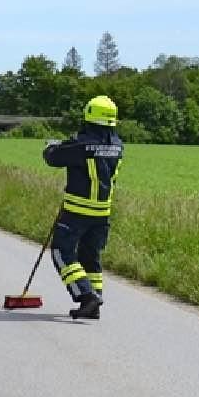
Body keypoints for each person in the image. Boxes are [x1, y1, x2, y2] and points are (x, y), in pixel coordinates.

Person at [43, 95, 123, 319]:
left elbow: (53, 158)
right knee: (90, 257)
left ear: (89, 116)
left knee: (61, 252)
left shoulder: (81, 144)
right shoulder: (118, 146)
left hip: (77, 212)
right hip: (102, 214)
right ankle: (94, 304)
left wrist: (53, 146)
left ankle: (86, 296)